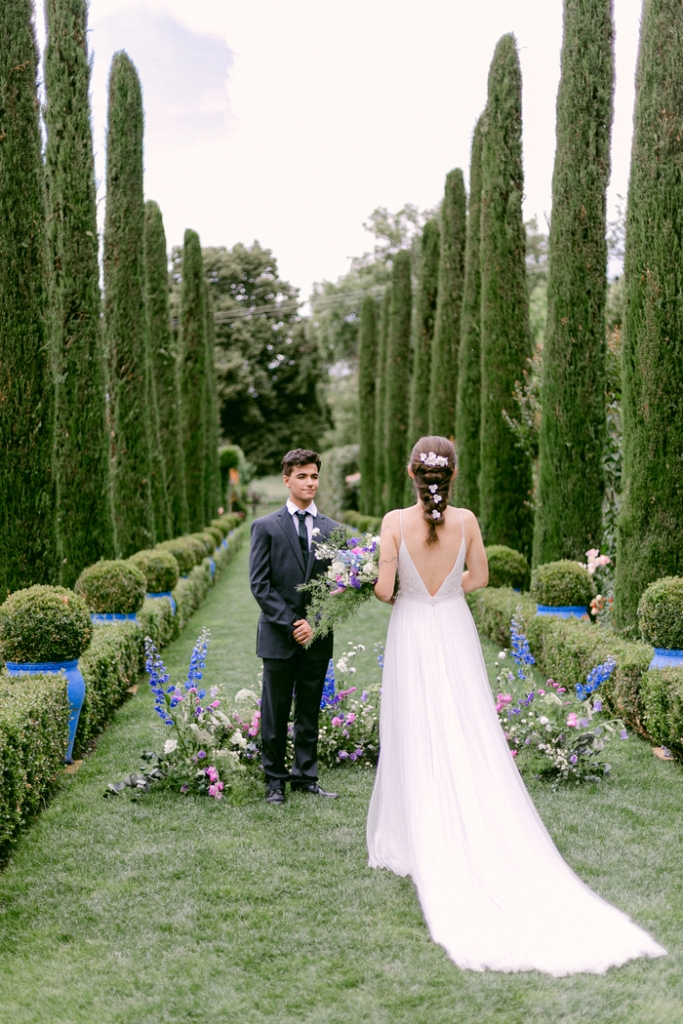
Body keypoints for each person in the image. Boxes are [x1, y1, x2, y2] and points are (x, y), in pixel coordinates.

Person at [366, 435, 666, 975]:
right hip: (452, 627)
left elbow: (385, 591)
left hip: (411, 630)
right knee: (465, 724)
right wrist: (444, 592)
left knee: (414, 725)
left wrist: (393, 582)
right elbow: (480, 578)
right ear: (451, 476)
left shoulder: (393, 522)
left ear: (411, 474)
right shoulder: (467, 521)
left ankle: (416, 833)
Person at [249, 448, 339, 805]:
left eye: (314, 476)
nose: (310, 482)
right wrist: (292, 624)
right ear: (287, 480)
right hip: (278, 636)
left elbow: (339, 586)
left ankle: (305, 776)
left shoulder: (332, 530)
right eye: (302, 476)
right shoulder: (266, 527)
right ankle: (274, 781)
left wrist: (314, 623)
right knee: (275, 712)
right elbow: (260, 585)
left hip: (317, 636)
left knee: (309, 711)